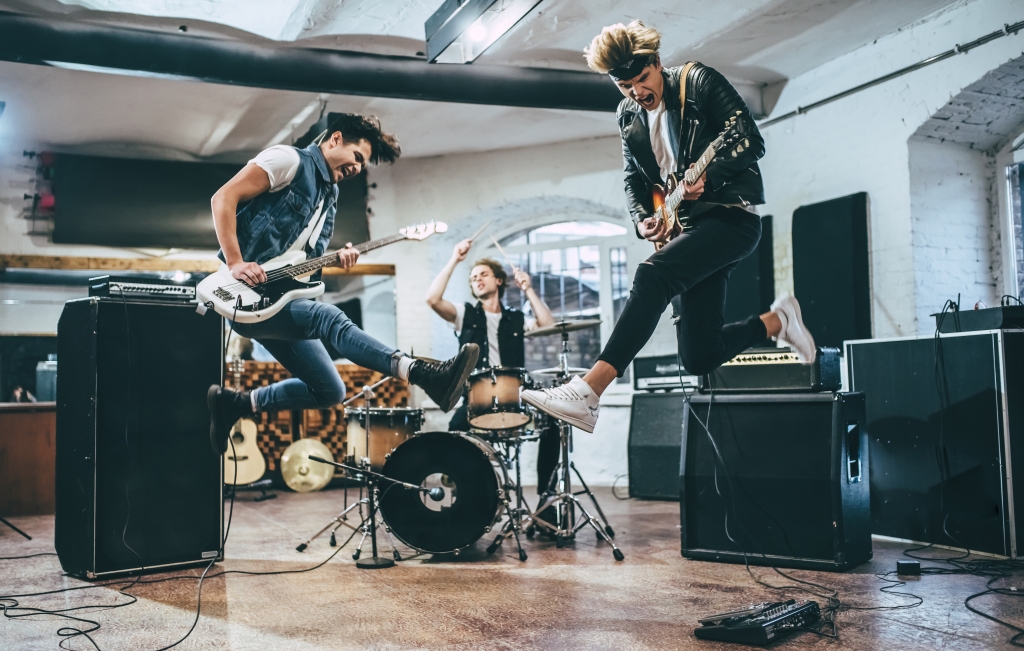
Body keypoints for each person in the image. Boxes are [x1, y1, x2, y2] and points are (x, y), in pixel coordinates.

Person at [522, 21, 816, 433]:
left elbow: (750, 139)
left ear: (658, 63)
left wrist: (708, 180)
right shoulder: (627, 114)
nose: (637, 93)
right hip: (685, 229)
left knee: (651, 276)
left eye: (642, 79)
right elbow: (633, 177)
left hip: (730, 218)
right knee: (699, 356)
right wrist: (644, 217)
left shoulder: (696, 81)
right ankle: (777, 321)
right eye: (625, 86)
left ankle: (589, 391)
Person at [207, 113, 479, 455]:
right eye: (357, 157)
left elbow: (297, 264)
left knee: (329, 391)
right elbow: (223, 198)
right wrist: (235, 262)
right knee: (328, 318)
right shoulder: (288, 160)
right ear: (335, 139)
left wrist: (337, 258)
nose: (358, 168)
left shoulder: (329, 194)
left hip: (277, 300)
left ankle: (237, 403)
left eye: (363, 164)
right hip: (243, 296)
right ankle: (421, 372)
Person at [426, 240, 563, 501]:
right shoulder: (465, 314)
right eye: (474, 277)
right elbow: (432, 299)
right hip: (476, 398)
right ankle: (465, 494)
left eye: (484, 275)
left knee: (552, 424)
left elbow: (548, 324)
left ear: (499, 280)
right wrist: (455, 259)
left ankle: (546, 495)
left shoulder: (516, 318)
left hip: (516, 396)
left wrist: (529, 290)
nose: (477, 280)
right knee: (454, 430)